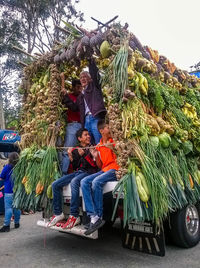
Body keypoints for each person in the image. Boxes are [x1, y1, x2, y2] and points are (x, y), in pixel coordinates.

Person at [48, 128, 98, 228]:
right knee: (55, 184)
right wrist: (71, 156)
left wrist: (84, 155)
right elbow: (75, 166)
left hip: (88, 173)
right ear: (79, 138)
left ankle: (74, 215)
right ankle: (58, 213)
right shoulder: (76, 148)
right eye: (85, 135)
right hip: (78, 172)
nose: (88, 136)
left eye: (88, 134)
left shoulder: (92, 148)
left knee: (74, 181)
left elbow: (94, 166)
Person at [81, 120, 119, 235]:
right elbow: (100, 165)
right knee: (84, 181)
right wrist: (96, 156)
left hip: (115, 169)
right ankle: (92, 216)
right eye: (108, 127)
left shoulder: (114, 141)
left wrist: (112, 148)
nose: (110, 129)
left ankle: (99, 215)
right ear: (101, 131)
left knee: (96, 182)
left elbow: (122, 158)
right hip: (104, 169)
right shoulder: (99, 145)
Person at [63, 58, 107, 145]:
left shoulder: (94, 87)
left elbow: (95, 75)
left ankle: (104, 157)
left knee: (99, 141)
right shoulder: (81, 96)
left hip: (95, 117)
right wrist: (65, 96)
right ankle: (94, 158)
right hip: (86, 120)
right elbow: (74, 107)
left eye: (85, 77)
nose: (82, 79)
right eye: (81, 77)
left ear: (90, 79)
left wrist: (90, 61)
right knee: (89, 143)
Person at [60, 78, 82, 174]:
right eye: (77, 87)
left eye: (80, 87)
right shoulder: (68, 96)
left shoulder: (83, 97)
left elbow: (76, 108)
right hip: (72, 125)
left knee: (81, 150)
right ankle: (64, 173)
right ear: (73, 87)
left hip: (81, 125)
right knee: (67, 150)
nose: (79, 89)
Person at [0, 152, 21, 232]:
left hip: (8, 190)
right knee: (16, 207)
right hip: (17, 191)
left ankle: (6, 226)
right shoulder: (20, 167)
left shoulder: (7, 167)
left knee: (8, 208)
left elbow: (1, 178)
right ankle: (17, 223)